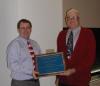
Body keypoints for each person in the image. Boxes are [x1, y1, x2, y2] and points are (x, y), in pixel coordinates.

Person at [56, 8, 96, 86]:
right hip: (63, 80)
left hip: (80, 80)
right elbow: (59, 57)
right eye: (68, 18)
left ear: (78, 19)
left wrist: (73, 70)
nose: (70, 20)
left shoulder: (88, 34)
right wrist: (58, 77)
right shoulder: (61, 35)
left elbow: (90, 59)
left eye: (73, 18)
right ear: (65, 20)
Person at [6, 19, 41, 86]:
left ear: (31, 29)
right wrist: (30, 72)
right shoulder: (14, 45)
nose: (25, 30)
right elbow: (12, 65)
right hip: (20, 82)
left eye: (28, 28)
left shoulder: (35, 44)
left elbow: (39, 60)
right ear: (18, 30)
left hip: (35, 81)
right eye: (23, 28)